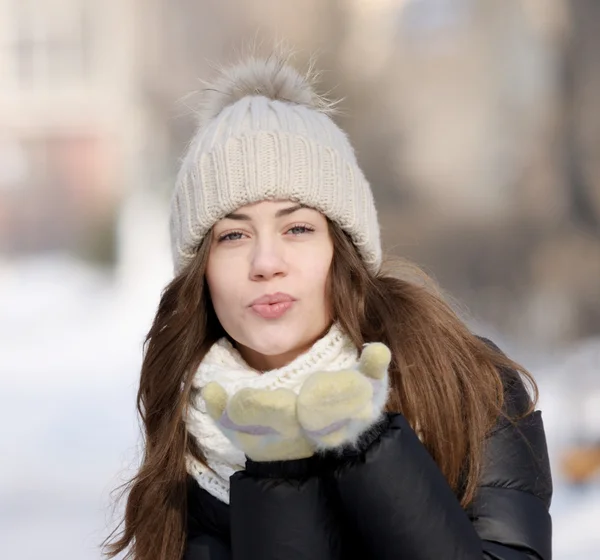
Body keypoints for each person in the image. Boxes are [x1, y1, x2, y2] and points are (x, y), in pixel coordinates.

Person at [103, 52, 552, 560]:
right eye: (232, 235)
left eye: (297, 228)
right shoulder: (194, 445)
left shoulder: (463, 381)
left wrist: (364, 443)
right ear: (200, 271)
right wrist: (278, 464)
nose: (266, 262)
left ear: (344, 249)